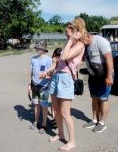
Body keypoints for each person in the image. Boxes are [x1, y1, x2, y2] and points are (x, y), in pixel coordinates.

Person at [49, 18, 86, 151]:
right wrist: (52, 70)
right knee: (56, 110)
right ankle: (60, 134)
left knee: (65, 113)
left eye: (68, 32)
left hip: (66, 79)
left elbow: (64, 57)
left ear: (76, 31)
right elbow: (60, 61)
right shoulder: (69, 43)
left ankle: (72, 141)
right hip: (57, 77)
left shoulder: (80, 45)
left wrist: (70, 41)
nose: (66, 34)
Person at [82, 33, 114, 133]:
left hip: (104, 75)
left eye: (81, 40)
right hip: (93, 75)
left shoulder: (100, 41)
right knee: (94, 98)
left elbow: (109, 58)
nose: (80, 43)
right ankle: (95, 119)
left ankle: (102, 123)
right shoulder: (83, 45)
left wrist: (109, 76)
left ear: (86, 35)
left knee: (104, 99)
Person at [28, 41, 52, 134]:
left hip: (44, 86)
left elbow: (51, 74)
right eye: (36, 48)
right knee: (36, 104)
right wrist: (29, 84)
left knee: (44, 105)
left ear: (43, 49)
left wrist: (46, 76)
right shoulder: (33, 59)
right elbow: (31, 72)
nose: (36, 49)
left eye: (38, 48)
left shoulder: (48, 60)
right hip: (34, 85)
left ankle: (44, 124)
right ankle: (35, 121)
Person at [40, 48, 62, 129]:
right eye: (56, 56)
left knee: (54, 101)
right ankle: (54, 118)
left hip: (55, 82)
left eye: (58, 56)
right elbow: (46, 69)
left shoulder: (58, 60)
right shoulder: (51, 60)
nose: (56, 58)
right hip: (51, 82)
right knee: (53, 101)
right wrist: (46, 74)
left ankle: (54, 118)